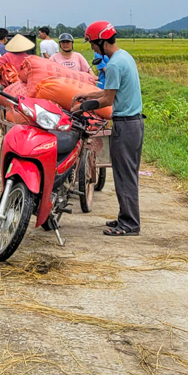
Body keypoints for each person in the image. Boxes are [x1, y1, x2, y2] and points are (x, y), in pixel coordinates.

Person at [72, 21, 143, 237]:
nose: (92, 48)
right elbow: (107, 92)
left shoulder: (113, 65)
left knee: (125, 175)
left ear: (102, 42)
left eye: (93, 44)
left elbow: (108, 100)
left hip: (126, 124)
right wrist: (88, 95)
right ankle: (125, 217)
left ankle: (130, 224)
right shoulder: (124, 56)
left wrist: (81, 107)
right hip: (134, 123)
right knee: (126, 174)